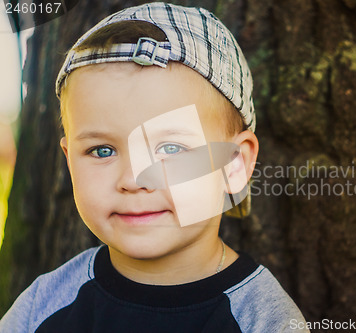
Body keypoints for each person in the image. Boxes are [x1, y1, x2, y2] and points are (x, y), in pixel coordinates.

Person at [0, 3, 309, 332]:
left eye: (171, 148)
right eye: (102, 150)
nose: (133, 179)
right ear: (69, 161)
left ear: (233, 165)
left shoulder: (265, 321)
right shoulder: (42, 306)